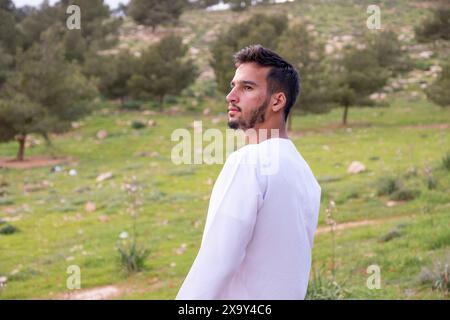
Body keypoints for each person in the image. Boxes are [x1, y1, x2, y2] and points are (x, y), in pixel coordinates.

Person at [176, 44, 321, 300]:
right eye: (233, 85)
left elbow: (217, 261)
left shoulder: (249, 161)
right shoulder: (303, 171)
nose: (231, 96)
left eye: (247, 87)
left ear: (278, 100)